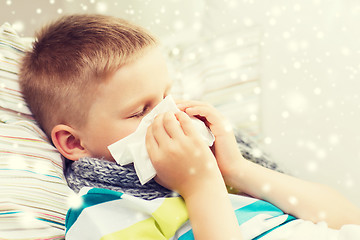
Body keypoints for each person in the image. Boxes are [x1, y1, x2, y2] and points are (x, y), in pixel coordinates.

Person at [19, 14, 360, 240]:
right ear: (73, 142)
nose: (168, 114)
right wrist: (199, 187)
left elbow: (348, 218)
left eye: (168, 95)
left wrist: (235, 168)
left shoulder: (217, 169)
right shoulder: (102, 212)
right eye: (141, 111)